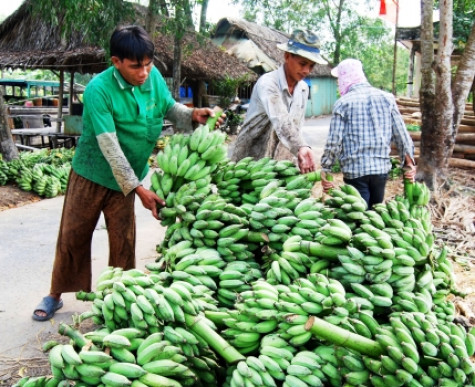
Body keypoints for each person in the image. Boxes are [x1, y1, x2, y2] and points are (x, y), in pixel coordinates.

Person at [32, 24, 221, 321]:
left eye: (148, 64)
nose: (144, 72)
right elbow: (110, 146)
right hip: (92, 173)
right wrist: (139, 189)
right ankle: (55, 294)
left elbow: (169, 108)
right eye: (136, 66)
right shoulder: (98, 90)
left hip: (128, 176)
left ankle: (121, 295)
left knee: (124, 239)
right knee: (74, 235)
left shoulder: (152, 77)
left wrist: (192, 114)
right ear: (116, 62)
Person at [320, 58, 416, 208]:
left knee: (360, 218)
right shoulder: (387, 98)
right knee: (375, 214)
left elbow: (334, 141)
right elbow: (401, 135)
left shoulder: (343, 103)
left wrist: (326, 168)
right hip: (381, 171)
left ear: (345, 77)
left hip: (355, 171)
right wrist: (409, 163)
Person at [231, 29, 327, 174]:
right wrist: (301, 146)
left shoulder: (303, 89)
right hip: (250, 159)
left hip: (279, 163)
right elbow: (280, 119)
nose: (307, 70)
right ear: (287, 56)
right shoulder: (268, 83)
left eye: (311, 66)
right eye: (302, 63)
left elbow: (297, 126)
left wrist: (300, 153)